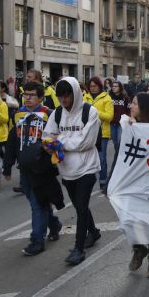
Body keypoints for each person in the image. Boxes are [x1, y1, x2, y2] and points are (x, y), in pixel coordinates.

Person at [44, 77, 102, 265]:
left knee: (82, 207)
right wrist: (54, 143)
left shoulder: (90, 112)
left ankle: (78, 249)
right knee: (78, 204)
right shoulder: (58, 113)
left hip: (87, 167)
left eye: (67, 96)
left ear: (75, 93)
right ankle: (93, 232)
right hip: (66, 168)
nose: (64, 100)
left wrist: (60, 142)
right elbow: (48, 136)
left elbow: (86, 142)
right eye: (60, 97)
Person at [2, 81, 64, 256]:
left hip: (42, 168)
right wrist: (7, 166)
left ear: (41, 98)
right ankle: (54, 223)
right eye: (25, 94)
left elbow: (57, 141)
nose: (27, 98)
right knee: (36, 201)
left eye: (31, 95)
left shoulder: (49, 115)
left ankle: (37, 241)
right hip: (25, 168)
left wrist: (54, 161)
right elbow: (12, 141)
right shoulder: (18, 114)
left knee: (38, 204)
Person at [126, 93, 149, 278]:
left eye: (134, 103)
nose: (130, 106)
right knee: (130, 219)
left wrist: (138, 131)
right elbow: (122, 156)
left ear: (144, 107)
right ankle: (138, 247)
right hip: (134, 183)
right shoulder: (128, 128)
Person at [84, 77, 113, 192]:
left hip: (103, 133)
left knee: (101, 159)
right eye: (91, 86)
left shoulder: (107, 98)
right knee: (86, 158)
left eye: (95, 86)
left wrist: (94, 111)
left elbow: (109, 117)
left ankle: (103, 181)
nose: (93, 88)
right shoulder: (85, 97)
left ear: (99, 86)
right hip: (87, 132)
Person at [109, 81, 130, 153]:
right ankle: (117, 154)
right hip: (112, 123)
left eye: (116, 86)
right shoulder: (109, 97)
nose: (113, 88)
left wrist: (126, 118)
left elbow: (129, 109)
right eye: (113, 86)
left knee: (119, 141)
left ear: (120, 87)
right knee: (115, 142)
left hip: (121, 123)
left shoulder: (125, 98)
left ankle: (119, 155)